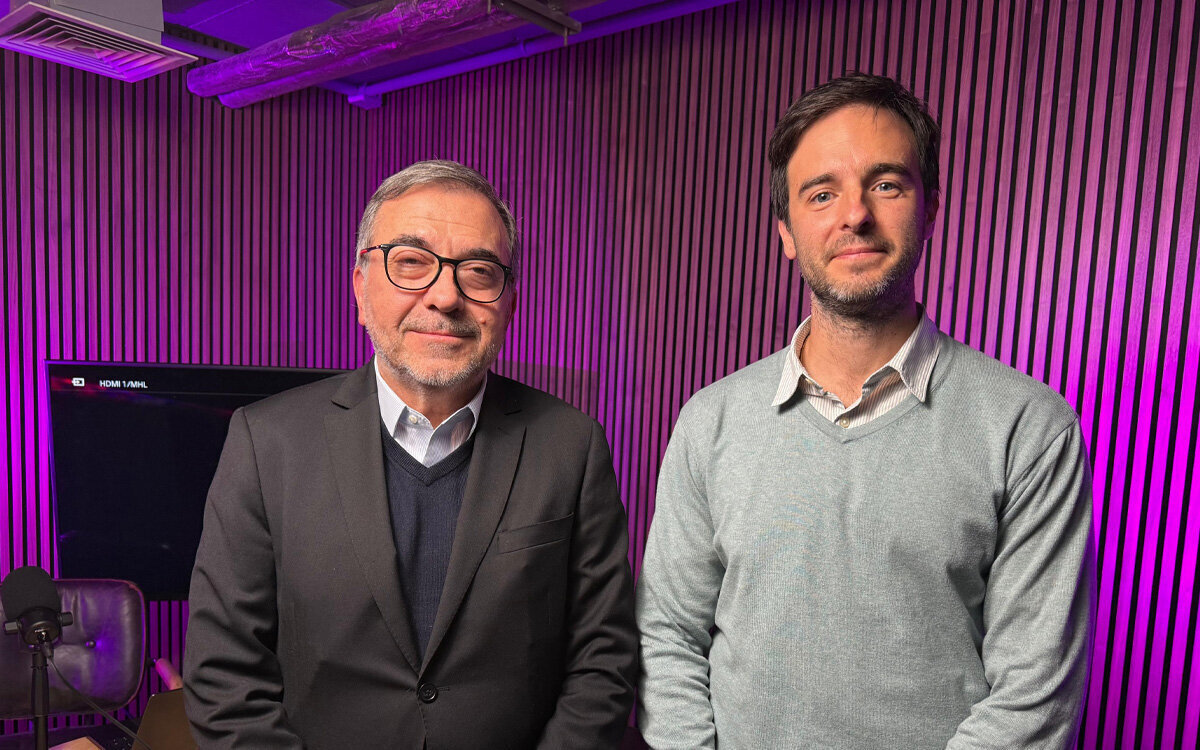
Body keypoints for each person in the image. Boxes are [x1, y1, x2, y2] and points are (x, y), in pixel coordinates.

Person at [636, 74, 1095, 748]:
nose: (854, 215)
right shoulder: (710, 422)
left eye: (886, 185)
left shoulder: (1028, 428)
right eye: (821, 194)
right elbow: (667, 637)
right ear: (786, 232)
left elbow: (1033, 697)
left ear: (930, 210)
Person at [184, 160, 637, 749]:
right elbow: (225, 676)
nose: (445, 296)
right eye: (411, 263)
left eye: (479, 271)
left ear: (509, 303)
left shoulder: (571, 446)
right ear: (360, 288)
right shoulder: (266, 442)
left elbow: (603, 660)